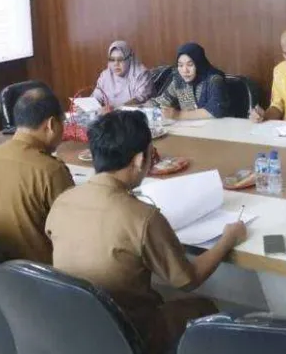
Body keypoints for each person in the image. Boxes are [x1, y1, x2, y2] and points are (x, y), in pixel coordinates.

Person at [46, 110, 246, 354]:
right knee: (205, 309)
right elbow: (188, 279)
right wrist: (227, 239)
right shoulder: (142, 217)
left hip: (74, 327)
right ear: (140, 159)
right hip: (128, 334)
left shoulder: (63, 201)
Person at [0, 84, 73, 263]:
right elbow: (72, 231)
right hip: (42, 271)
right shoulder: (50, 170)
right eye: (63, 122)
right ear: (51, 124)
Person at [147, 42, 229, 120]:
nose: (184, 70)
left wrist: (178, 115)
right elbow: (162, 101)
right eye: (180, 65)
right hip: (190, 128)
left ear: (199, 64)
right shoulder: (179, 80)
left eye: (190, 65)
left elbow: (216, 110)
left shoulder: (214, 80)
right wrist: (143, 106)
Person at [91, 40, 154, 108]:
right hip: (110, 113)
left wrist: (117, 108)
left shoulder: (141, 74)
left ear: (129, 59)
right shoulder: (105, 76)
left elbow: (140, 99)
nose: (116, 64)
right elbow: (96, 98)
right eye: (112, 60)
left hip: (136, 113)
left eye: (120, 59)